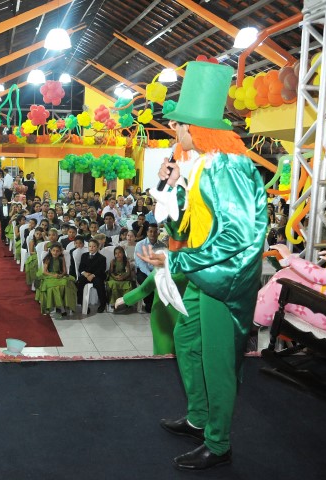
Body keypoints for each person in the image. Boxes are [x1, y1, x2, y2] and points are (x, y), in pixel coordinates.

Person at [136, 62, 267, 470]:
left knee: (218, 363)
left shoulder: (229, 168)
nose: (174, 131)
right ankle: (198, 417)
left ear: (194, 129)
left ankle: (218, 441)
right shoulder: (206, 166)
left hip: (224, 284)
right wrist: (172, 187)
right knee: (187, 343)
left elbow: (240, 238)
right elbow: (186, 226)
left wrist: (177, 258)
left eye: (178, 125)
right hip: (201, 274)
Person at [36, 242, 76, 316]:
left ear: (60, 252)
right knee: (54, 287)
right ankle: (61, 308)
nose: (55, 252)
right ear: (50, 251)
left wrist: (61, 275)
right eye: (53, 250)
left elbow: (64, 271)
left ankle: (66, 305)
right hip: (49, 275)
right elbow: (45, 271)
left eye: (57, 251)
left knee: (65, 283)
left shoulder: (61, 258)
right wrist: (53, 275)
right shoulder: (48, 258)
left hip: (59, 274)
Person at [133, 223, 166, 313]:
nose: (152, 234)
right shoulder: (140, 245)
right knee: (146, 280)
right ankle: (149, 304)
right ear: (147, 233)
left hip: (157, 270)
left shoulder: (162, 245)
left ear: (158, 233)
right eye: (150, 231)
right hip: (143, 271)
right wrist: (149, 274)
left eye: (155, 232)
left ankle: (161, 304)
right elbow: (141, 263)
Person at [76, 238, 107, 313]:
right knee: (79, 282)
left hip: (96, 275)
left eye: (94, 246)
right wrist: (85, 273)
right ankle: (83, 303)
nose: (91, 248)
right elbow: (81, 268)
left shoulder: (102, 258)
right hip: (86, 275)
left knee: (99, 284)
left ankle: (102, 304)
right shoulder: (84, 255)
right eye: (90, 246)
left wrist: (92, 275)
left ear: (97, 247)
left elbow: (101, 270)